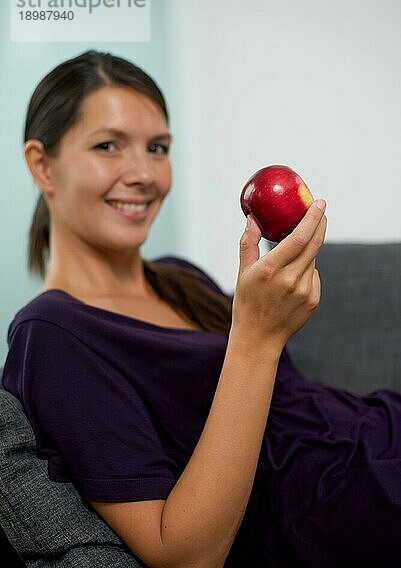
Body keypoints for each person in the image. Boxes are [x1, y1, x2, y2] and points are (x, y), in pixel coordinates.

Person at [2, 50, 401, 568]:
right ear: (42, 164)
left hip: (376, 435)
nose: (144, 173)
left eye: (157, 148)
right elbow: (186, 555)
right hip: (339, 513)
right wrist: (256, 340)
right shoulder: (52, 334)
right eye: (108, 146)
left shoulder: (180, 277)